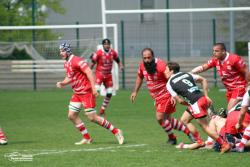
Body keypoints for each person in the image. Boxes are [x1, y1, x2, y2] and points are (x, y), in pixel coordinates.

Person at [56, 42, 124, 145]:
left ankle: (116, 131)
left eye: (63, 50)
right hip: (77, 93)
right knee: (72, 115)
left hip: (86, 92)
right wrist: (63, 83)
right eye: (60, 51)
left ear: (68, 51)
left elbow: (89, 72)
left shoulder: (77, 60)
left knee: (92, 117)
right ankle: (87, 138)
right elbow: (70, 77)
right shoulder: (67, 63)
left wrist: (93, 88)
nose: (61, 53)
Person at [130, 48, 196, 145]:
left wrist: (174, 95)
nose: (147, 60)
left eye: (149, 57)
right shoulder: (142, 66)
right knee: (167, 120)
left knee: (160, 117)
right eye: (145, 58)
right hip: (157, 98)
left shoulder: (161, 66)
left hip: (166, 95)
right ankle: (185, 134)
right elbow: (140, 77)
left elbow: (172, 79)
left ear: (153, 56)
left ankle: (173, 137)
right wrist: (135, 91)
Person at [166, 61, 231, 153]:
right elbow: (203, 80)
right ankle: (199, 141)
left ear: (171, 70)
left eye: (166, 69)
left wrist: (191, 104)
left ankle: (224, 144)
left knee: (205, 126)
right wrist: (206, 96)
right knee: (184, 120)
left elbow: (180, 101)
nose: (164, 72)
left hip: (196, 103)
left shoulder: (169, 84)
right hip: (202, 98)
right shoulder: (187, 74)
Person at [191, 43, 247, 111]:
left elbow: (246, 72)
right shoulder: (216, 60)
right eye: (213, 51)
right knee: (236, 111)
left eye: (216, 51)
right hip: (229, 90)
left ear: (223, 52)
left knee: (230, 110)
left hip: (239, 88)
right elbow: (204, 67)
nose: (214, 53)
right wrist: (191, 73)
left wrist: (248, 85)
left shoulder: (234, 59)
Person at [90, 39, 124, 116]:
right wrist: (88, 71)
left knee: (109, 92)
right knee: (96, 90)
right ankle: (90, 108)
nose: (107, 45)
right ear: (103, 45)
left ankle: (102, 109)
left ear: (109, 45)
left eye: (108, 44)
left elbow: (117, 60)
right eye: (105, 44)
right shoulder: (99, 53)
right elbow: (92, 62)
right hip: (100, 74)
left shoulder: (113, 52)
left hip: (108, 75)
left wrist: (120, 65)